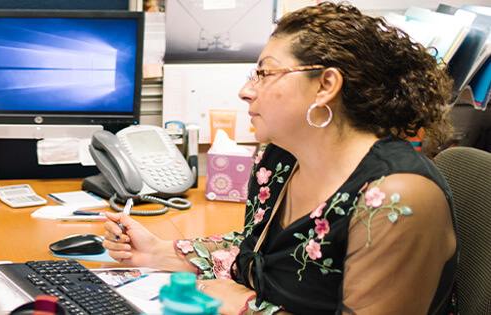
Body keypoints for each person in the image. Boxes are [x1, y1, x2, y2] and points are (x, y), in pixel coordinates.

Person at [103, 2, 456, 314]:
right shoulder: (280, 159)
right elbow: (262, 253)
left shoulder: (397, 196)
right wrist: (160, 252)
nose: (246, 91)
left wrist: (243, 305)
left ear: (325, 85)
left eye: (265, 74)